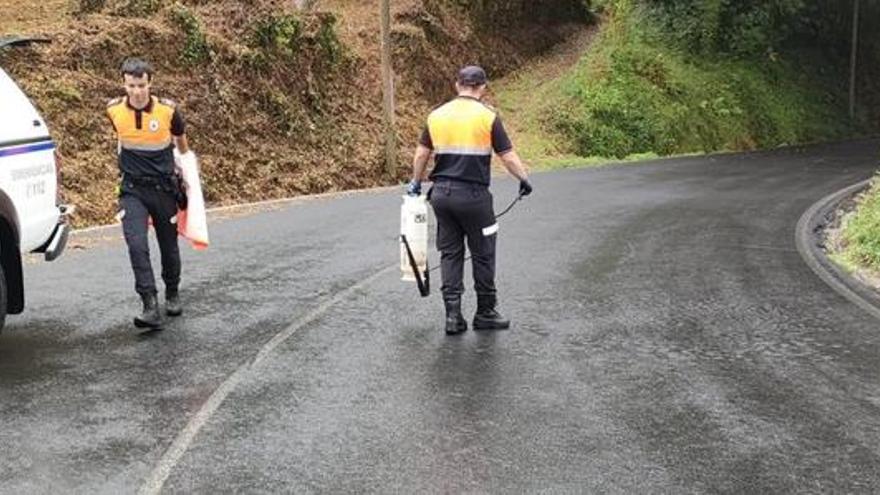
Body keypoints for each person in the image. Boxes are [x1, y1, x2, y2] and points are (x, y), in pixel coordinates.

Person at [407, 65, 533, 335]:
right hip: (475, 198)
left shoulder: (436, 115)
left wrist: (416, 182)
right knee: (483, 252)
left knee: (450, 253)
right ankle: (485, 312)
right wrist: (523, 179)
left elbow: (420, 155)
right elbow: (508, 156)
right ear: (482, 87)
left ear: (457, 85)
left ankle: (453, 317)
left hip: (441, 196)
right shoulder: (488, 117)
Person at [106, 57, 189, 328]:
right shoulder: (113, 110)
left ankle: (173, 291)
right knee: (137, 245)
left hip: (163, 189)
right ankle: (149, 303)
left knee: (168, 245)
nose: (137, 91)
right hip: (132, 190)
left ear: (150, 83)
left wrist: (185, 167)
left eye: (141, 85)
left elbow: (181, 141)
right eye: (131, 85)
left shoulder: (168, 111)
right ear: (124, 84)